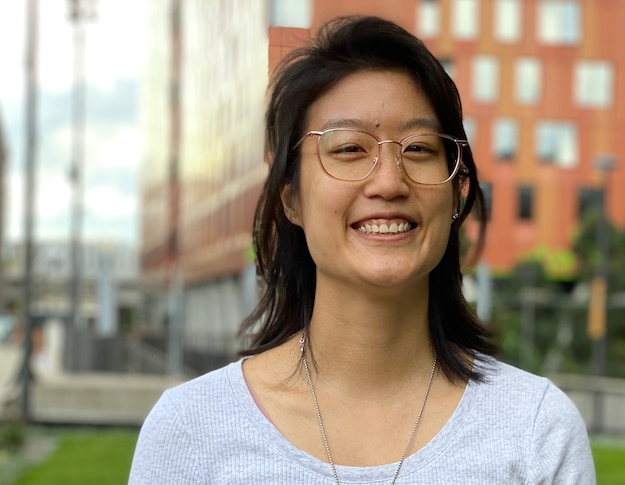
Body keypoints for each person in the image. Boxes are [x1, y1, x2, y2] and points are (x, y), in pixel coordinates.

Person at [129, 15, 596, 484]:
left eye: (417, 148)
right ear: (291, 198)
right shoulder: (191, 431)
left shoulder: (535, 430)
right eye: (350, 149)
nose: (390, 182)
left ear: (457, 191)